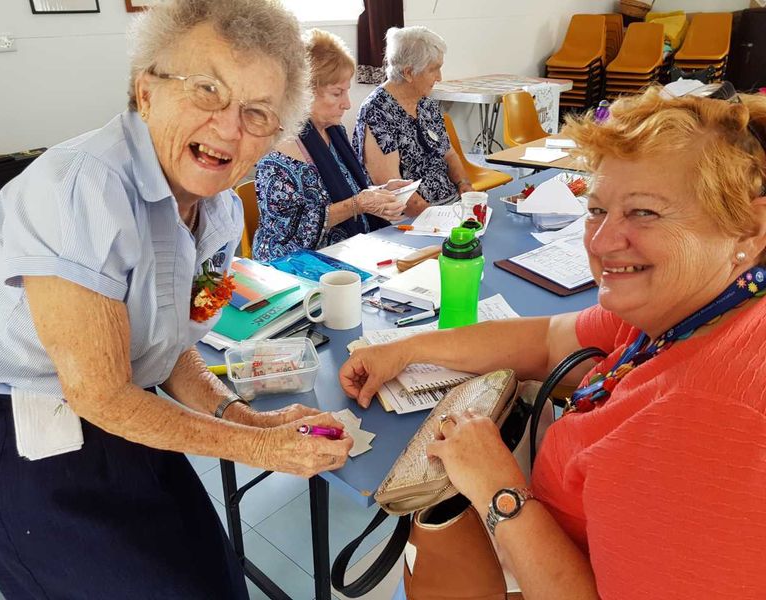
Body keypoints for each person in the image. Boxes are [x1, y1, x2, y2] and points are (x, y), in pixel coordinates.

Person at [0, 1, 353, 598]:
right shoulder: (80, 191)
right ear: (146, 91)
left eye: (258, 114)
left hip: (127, 408)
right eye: (206, 90)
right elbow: (94, 391)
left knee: (215, 581)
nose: (229, 128)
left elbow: (172, 343)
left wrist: (246, 416)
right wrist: (260, 446)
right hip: (19, 431)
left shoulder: (220, 215)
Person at [340, 86, 766, 598]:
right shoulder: (690, 306)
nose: (603, 241)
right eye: (596, 209)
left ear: (749, 228)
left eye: (645, 213)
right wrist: (407, 349)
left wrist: (498, 489)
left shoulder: (714, 416)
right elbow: (545, 340)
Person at [253, 28, 405, 261]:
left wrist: (380, 193)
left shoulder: (334, 132)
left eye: (346, 91)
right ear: (304, 93)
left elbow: (350, 190)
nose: (347, 103)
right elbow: (291, 232)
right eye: (337, 93)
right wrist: (358, 205)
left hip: (347, 250)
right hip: (295, 267)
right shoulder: (276, 152)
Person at [352, 26, 473, 217]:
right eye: (434, 69)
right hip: (410, 218)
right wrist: (440, 220)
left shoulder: (426, 103)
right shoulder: (377, 112)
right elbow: (395, 190)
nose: (439, 77)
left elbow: (449, 155)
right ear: (408, 73)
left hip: (450, 208)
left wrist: (464, 185)